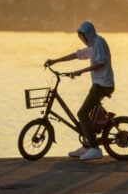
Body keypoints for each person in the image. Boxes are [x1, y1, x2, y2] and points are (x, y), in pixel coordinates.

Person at [44, 21, 114, 161]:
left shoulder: (99, 42)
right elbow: (77, 55)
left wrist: (79, 72)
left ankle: (95, 149)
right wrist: (55, 61)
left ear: (89, 34)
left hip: (103, 85)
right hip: (98, 84)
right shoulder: (92, 45)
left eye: (83, 36)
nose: (82, 39)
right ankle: (87, 145)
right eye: (80, 36)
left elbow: (100, 63)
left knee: (82, 113)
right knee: (87, 113)